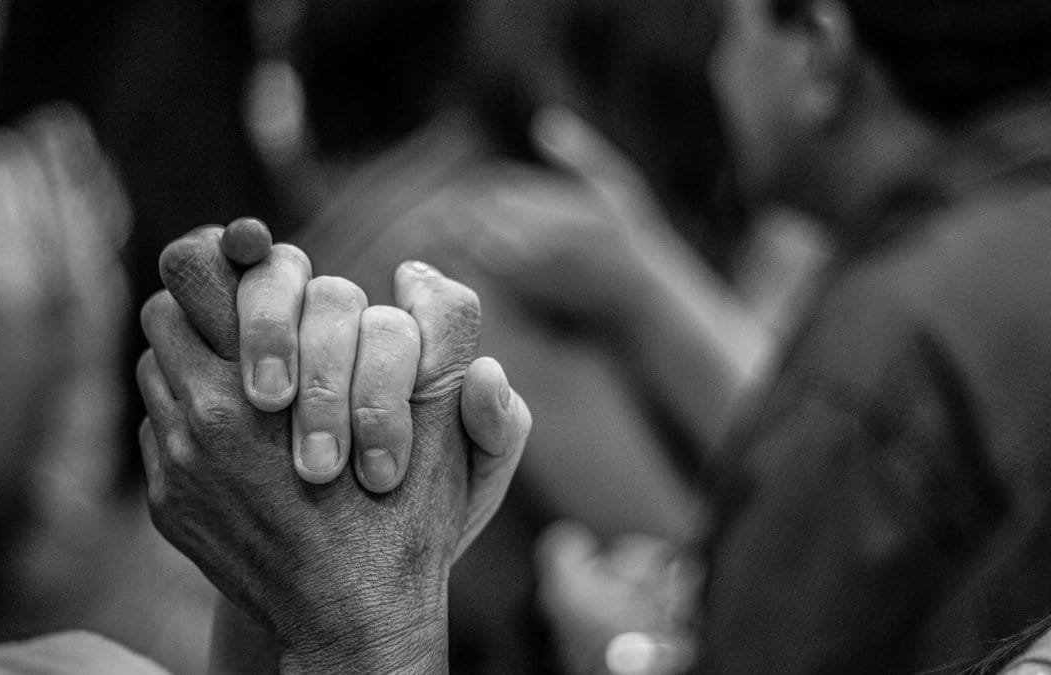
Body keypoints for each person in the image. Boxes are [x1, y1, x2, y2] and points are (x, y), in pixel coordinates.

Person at [138, 0, 1051, 671]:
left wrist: (653, 285)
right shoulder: (480, 252)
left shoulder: (881, 300)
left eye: (734, 32)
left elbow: (791, 504)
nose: (723, 70)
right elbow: (733, 543)